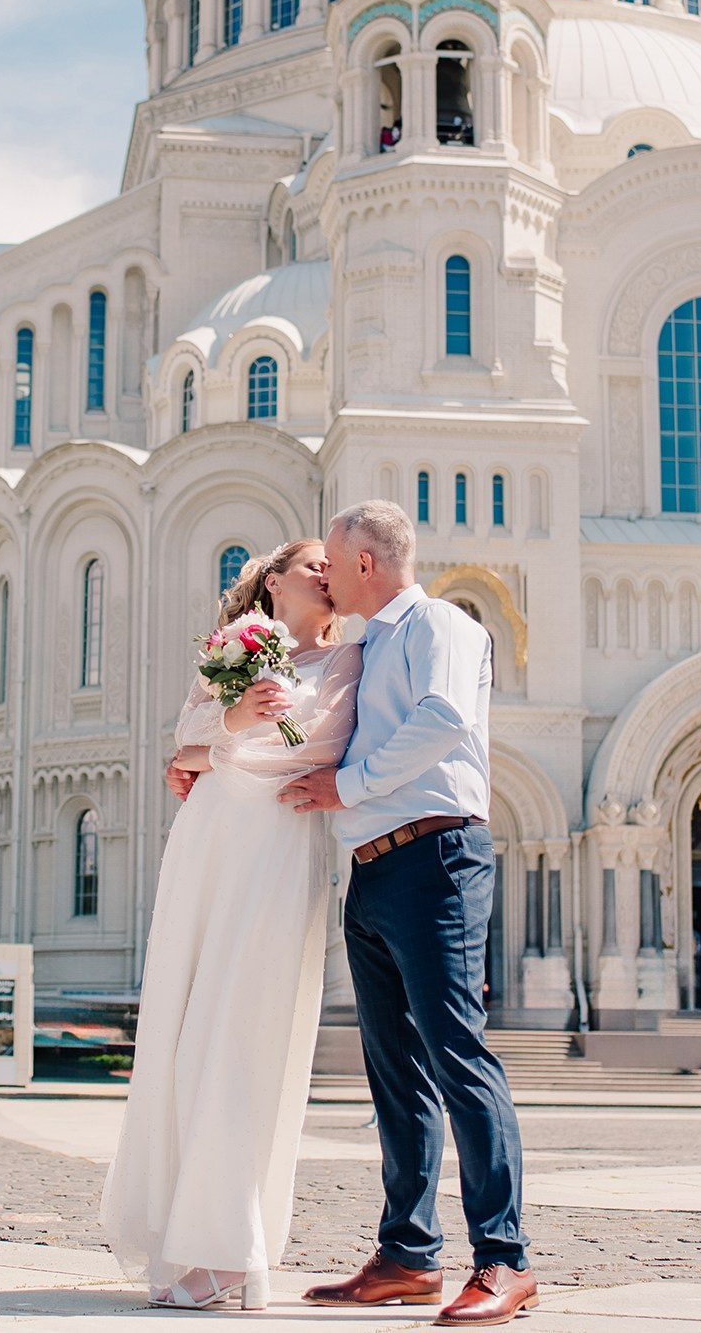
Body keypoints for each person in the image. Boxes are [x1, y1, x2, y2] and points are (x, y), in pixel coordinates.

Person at [275, 500, 535, 1324]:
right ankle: (408, 1253)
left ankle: (504, 1258)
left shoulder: (441, 627)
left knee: (459, 1054)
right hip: (374, 873)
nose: (323, 573)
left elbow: (444, 719)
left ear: (365, 564)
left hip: (437, 860)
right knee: (394, 1070)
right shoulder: (365, 644)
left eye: (332, 561)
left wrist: (346, 788)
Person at [101, 540, 361, 1311]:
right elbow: (180, 744)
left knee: (244, 1032)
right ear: (274, 579)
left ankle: (230, 1248)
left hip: (276, 841)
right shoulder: (231, 650)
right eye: (312, 560)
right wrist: (228, 726)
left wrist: (224, 747)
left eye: (334, 563)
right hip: (209, 842)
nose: (326, 568)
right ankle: (183, 1236)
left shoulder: (348, 661)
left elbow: (320, 750)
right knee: (185, 1035)